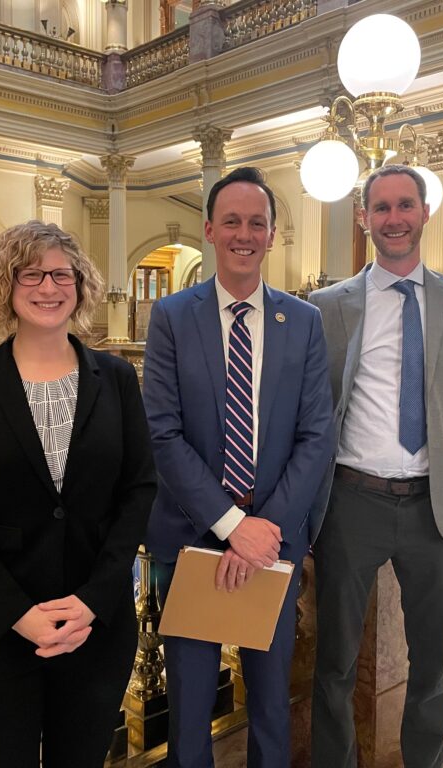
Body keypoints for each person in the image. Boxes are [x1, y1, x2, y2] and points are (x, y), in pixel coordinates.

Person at [0, 220, 156, 768]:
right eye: (31, 274)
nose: (48, 287)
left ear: (81, 286)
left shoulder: (118, 378)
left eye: (61, 274)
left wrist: (93, 602)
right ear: (5, 286)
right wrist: (18, 614)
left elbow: (139, 489)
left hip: (93, 633)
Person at [142, 166, 334, 768]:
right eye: (232, 221)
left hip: (273, 545)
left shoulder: (303, 322)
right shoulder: (172, 318)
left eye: (257, 222)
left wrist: (263, 530)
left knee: (272, 705)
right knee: (191, 715)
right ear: (210, 230)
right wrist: (232, 525)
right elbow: (163, 433)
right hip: (193, 541)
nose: (244, 233)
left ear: (272, 235)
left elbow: (316, 434)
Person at [308, 164, 443, 768]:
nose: (394, 219)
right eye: (380, 208)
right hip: (350, 501)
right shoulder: (327, 306)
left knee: (433, 664)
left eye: (404, 206)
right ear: (364, 218)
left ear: (424, 213)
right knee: (334, 661)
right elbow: (313, 410)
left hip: (433, 506)